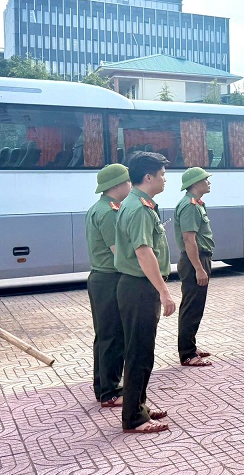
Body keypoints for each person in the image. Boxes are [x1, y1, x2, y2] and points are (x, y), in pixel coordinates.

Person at [114, 151, 175, 433]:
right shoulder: (139, 208)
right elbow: (143, 252)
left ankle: (139, 406)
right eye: (162, 174)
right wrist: (164, 291)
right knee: (140, 352)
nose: (165, 179)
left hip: (136, 286)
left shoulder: (137, 203)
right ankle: (134, 418)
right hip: (140, 287)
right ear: (148, 177)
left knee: (141, 350)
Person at [86, 163, 132, 408]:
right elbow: (119, 253)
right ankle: (110, 392)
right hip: (110, 279)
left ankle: (103, 387)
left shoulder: (98, 208)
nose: (131, 185)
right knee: (113, 336)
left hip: (101, 279)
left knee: (105, 336)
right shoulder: (109, 212)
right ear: (117, 184)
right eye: (128, 181)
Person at [174, 167, 215, 368]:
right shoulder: (190, 206)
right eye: (206, 180)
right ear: (196, 183)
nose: (209, 183)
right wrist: (199, 268)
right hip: (194, 261)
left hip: (197, 259)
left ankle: (190, 345)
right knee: (191, 307)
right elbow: (189, 240)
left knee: (195, 306)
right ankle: (187, 354)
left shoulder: (195, 204)